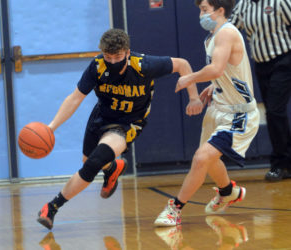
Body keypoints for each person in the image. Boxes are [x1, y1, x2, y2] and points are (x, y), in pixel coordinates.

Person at [37, 28, 203, 230]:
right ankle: (113, 167)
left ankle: (52, 207)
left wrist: (194, 97)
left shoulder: (143, 65)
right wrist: (51, 127)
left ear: (127, 52)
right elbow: (75, 98)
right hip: (102, 117)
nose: (113, 61)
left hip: (128, 123)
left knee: (92, 164)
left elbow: (183, 64)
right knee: (88, 161)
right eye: (108, 57)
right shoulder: (97, 67)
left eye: (118, 56)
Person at [155, 0, 260, 226]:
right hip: (218, 107)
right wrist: (216, 84)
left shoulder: (226, 33)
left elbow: (216, 68)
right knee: (209, 161)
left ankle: (175, 208)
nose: (200, 15)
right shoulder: (212, 36)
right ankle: (228, 192)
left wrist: (189, 78)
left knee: (202, 157)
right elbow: (227, 69)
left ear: (220, 10)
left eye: (204, 10)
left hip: (238, 115)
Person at [229, 0, 291, 182]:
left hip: (284, 60)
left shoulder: (280, 2)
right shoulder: (243, 5)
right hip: (261, 65)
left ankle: (280, 164)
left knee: (274, 111)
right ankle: (285, 161)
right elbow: (230, 29)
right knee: (274, 113)